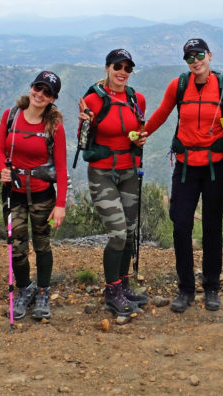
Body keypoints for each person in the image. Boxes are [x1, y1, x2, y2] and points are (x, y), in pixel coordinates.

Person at [143, 38, 223, 313]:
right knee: (181, 224)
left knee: (212, 226)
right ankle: (185, 288)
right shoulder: (178, 85)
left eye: (198, 55)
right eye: (189, 57)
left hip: (216, 166)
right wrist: (144, 133)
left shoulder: (222, 85)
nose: (195, 61)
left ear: (210, 55)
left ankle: (211, 288)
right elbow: (162, 113)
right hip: (185, 166)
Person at [77, 49, 148, 322]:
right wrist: (85, 122)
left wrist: (140, 140)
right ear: (107, 67)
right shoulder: (92, 99)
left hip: (129, 171)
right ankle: (111, 292)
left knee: (129, 232)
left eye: (127, 68)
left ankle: (124, 285)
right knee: (117, 233)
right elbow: (82, 143)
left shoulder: (136, 98)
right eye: (117, 66)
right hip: (102, 173)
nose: (122, 72)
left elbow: (139, 133)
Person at [0, 71, 68, 321]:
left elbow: (60, 166)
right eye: (39, 87)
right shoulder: (10, 116)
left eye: (47, 92)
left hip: (42, 196)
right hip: (13, 194)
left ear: (52, 98)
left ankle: (44, 291)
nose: (40, 94)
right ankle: (24, 288)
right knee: (16, 246)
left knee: (41, 244)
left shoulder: (54, 126)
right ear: (31, 87)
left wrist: (60, 205)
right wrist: (3, 169)